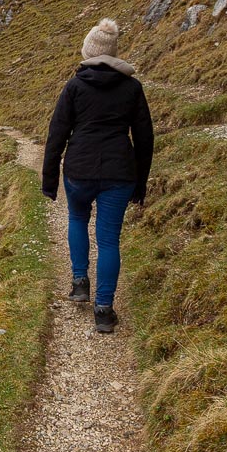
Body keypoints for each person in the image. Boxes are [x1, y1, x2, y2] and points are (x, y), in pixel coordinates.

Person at [41, 18, 154, 334]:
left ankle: (79, 282)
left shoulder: (75, 86)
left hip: (78, 170)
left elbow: (57, 134)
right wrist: (140, 183)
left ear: (88, 51)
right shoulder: (132, 88)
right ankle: (103, 311)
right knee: (108, 239)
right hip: (119, 173)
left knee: (77, 219)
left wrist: (50, 180)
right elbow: (145, 138)